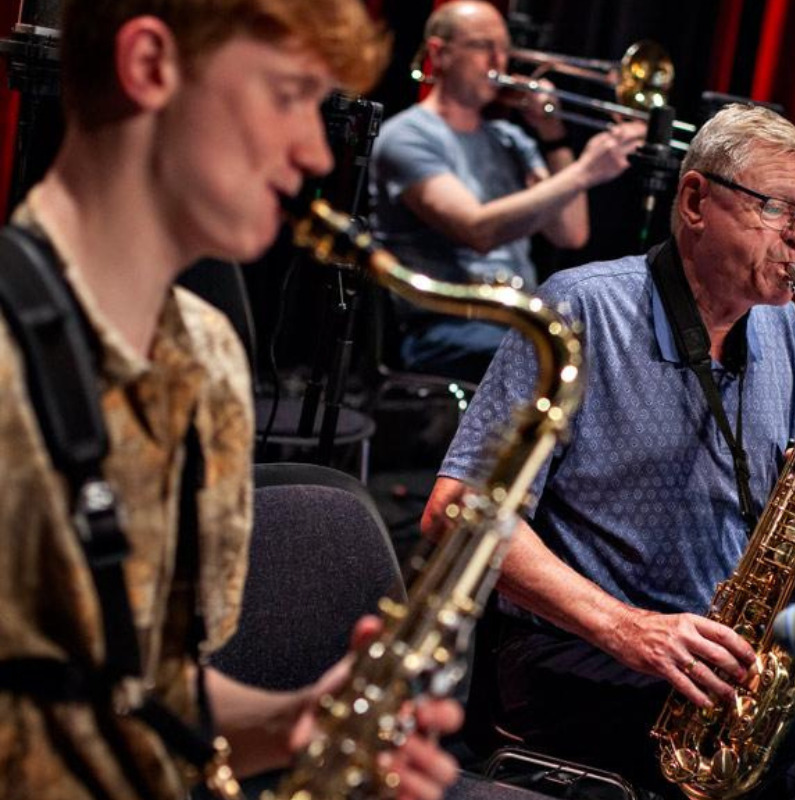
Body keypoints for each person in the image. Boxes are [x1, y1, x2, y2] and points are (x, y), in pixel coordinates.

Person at [422, 104, 795, 800]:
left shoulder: (783, 324)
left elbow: (779, 507)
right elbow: (458, 513)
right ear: (696, 200)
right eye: (778, 210)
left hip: (727, 643)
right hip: (574, 652)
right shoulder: (580, 311)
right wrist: (629, 628)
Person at [0, 3, 459, 799]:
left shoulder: (210, 354)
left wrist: (292, 723)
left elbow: (154, 687)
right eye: (289, 95)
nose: (316, 151)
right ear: (150, 66)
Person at [369, 0, 646, 382]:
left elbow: (570, 231)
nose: (499, 61)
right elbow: (477, 230)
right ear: (440, 53)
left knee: (621, 356)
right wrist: (584, 170)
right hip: (447, 324)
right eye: (484, 46)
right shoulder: (407, 137)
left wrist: (552, 136)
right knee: (566, 364)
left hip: (518, 318)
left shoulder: (511, 138)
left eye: (505, 49)